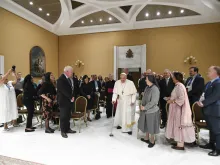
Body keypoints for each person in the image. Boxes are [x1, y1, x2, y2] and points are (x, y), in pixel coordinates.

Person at [165, 72, 195, 150]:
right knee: (176, 125)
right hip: (176, 109)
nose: (172, 78)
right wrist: (170, 98)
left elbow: (181, 100)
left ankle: (180, 144)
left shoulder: (179, 86)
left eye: (173, 77)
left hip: (178, 110)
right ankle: (178, 141)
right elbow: (177, 96)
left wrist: (172, 101)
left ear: (175, 78)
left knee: (178, 126)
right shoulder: (178, 86)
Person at [197, 66, 220, 156]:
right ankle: (211, 144)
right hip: (208, 110)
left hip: (214, 110)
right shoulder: (209, 83)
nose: (207, 72)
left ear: (216, 73)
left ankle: (218, 149)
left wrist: (204, 103)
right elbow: (203, 94)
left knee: (217, 131)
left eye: (210, 71)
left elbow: (216, 96)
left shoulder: (218, 82)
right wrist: (200, 100)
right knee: (211, 129)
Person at [138, 75, 160, 148]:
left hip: (152, 110)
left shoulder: (155, 89)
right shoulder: (147, 87)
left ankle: (152, 140)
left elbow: (154, 102)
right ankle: (147, 138)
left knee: (151, 126)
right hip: (146, 109)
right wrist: (142, 105)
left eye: (146, 79)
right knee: (146, 124)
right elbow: (144, 97)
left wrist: (145, 107)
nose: (145, 80)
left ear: (150, 80)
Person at [57, 66, 76, 138]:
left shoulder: (69, 79)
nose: (72, 73)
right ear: (67, 72)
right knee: (63, 116)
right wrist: (71, 97)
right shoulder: (60, 79)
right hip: (63, 101)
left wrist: (73, 96)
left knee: (68, 116)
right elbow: (63, 90)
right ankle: (63, 131)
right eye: (71, 72)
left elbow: (72, 89)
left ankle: (68, 129)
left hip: (69, 100)